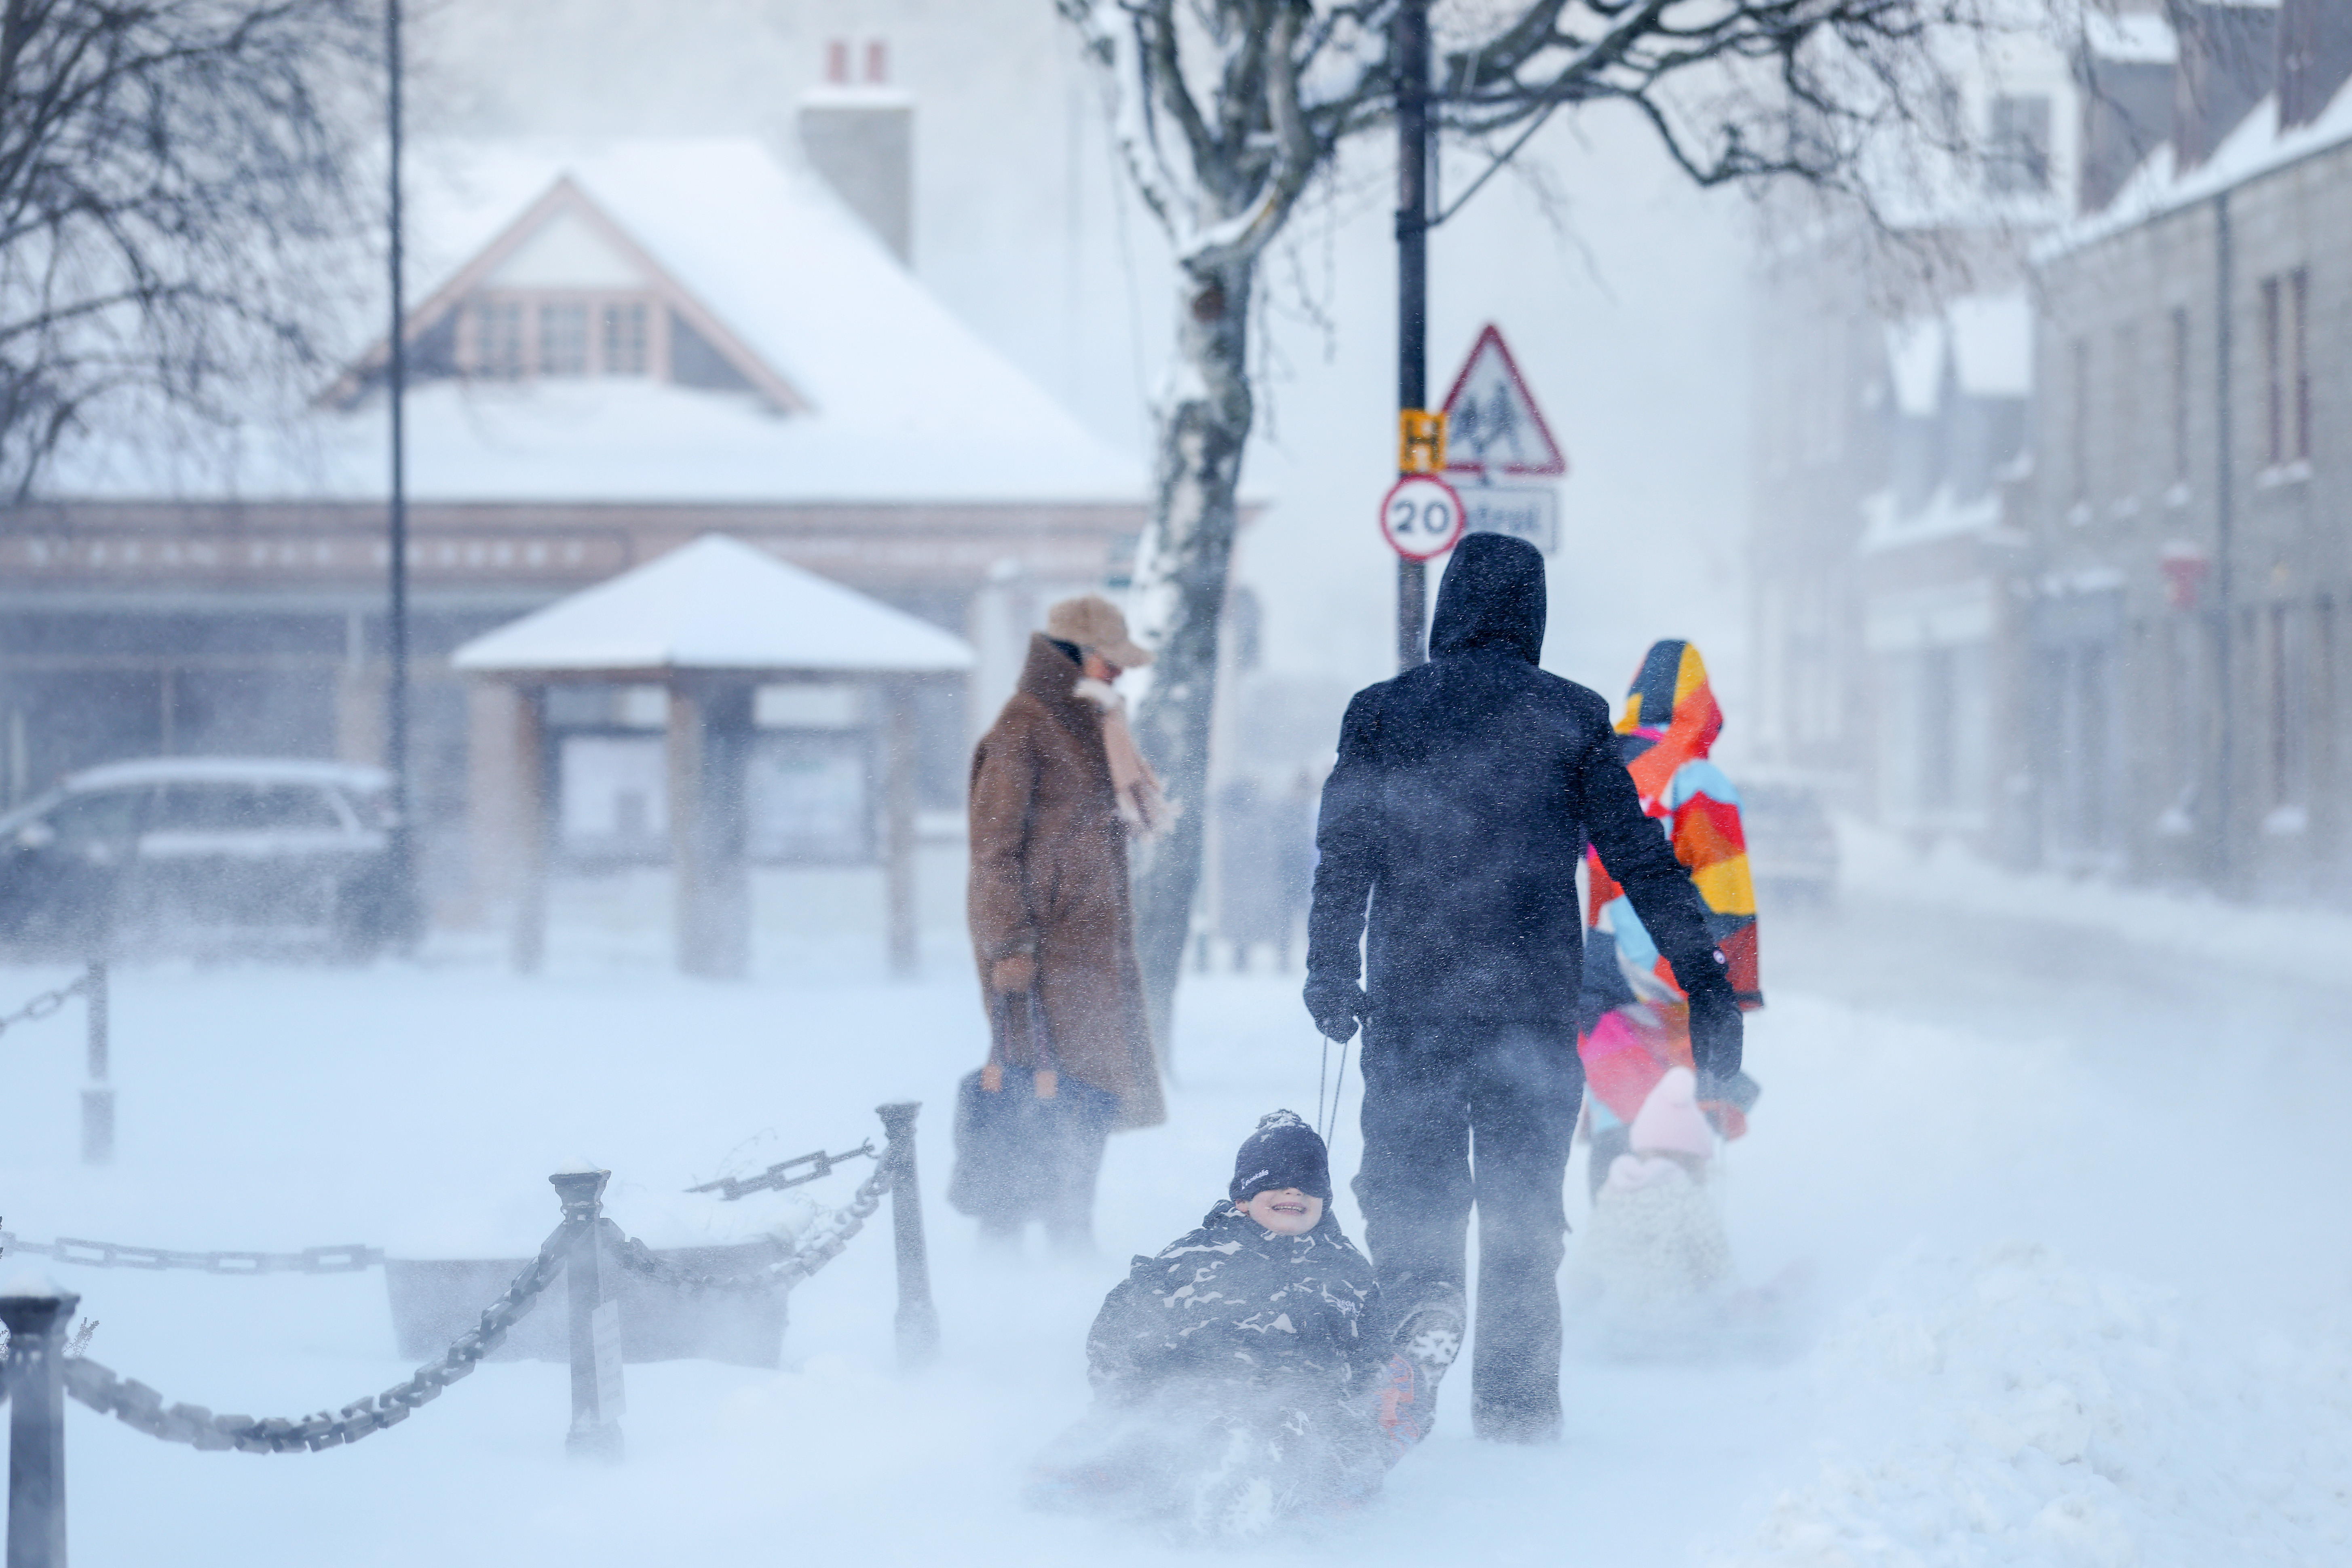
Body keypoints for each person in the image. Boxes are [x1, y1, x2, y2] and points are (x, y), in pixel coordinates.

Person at [1302, 532, 1744, 1443]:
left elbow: (1343, 855)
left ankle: (1405, 1379)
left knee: (1411, 1203)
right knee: (1521, 1222)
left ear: (1448, 605)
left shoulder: (1380, 712)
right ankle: (1516, 1419)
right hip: (1529, 1016)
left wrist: (1329, 967)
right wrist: (1704, 975)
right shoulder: (1571, 716)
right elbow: (1637, 858)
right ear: (1531, 611)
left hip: (1413, 1009)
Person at [1027, 1111, 1427, 1540]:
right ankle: (1175, 1480)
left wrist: (1367, 1401)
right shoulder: (1195, 1256)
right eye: (1276, 1181)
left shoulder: (1348, 1270)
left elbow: (1371, 1349)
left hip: (1303, 1403)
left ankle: (1251, 1492)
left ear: (1325, 1199)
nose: (1294, 1190)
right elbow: (1125, 1327)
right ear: (1242, 1198)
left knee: (1322, 1448)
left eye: (1309, 1183)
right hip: (1200, 1393)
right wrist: (1126, 1393)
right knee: (1156, 1435)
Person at [958, 595, 1168, 1251]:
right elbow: (993, 850)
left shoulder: (1089, 722)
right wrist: (1009, 944)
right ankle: (1011, 1241)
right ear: (1074, 654)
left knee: (1082, 1099)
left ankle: (1068, 1234)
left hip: (1085, 954)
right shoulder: (1025, 727)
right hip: (1042, 957)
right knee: (1039, 1094)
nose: (1120, 672)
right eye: (1111, 659)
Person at [1578, 638, 1764, 1200]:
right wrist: (1732, 989)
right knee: (1682, 1118)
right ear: (1700, 702)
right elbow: (1725, 894)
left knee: (1617, 1111)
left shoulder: (1603, 769)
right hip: (1676, 977)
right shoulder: (1695, 777)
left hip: (1601, 975)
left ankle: (1613, 1229)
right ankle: (1678, 1237)